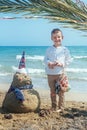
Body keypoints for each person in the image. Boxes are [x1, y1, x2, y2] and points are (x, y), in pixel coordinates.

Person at [44, 28, 72, 112]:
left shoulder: (65, 50)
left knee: (61, 91)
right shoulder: (48, 49)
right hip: (50, 74)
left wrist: (62, 64)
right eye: (55, 37)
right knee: (52, 91)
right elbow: (45, 59)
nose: (57, 39)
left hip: (61, 74)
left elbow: (69, 60)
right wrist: (49, 63)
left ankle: (61, 107)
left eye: (58, 37)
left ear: (62, 37)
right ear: (51, 38)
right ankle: (53, 107)